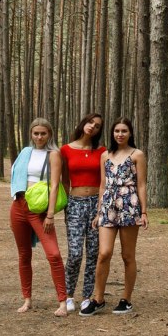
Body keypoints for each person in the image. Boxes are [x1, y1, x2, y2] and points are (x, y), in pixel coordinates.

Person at [79, 118, 148, 316]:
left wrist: (144, 211)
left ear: (130, 133)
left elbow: (141, 184)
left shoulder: (137, 155)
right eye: (117, 130)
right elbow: (102, 185)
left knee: (127, 255)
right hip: (108, 206)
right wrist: (99, 211)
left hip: (129, 205)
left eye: (124, 131)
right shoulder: (105, 155)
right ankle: (98, 298)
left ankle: (126, 299)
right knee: (104, 253)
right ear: (112, 133)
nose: (120, 134)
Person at [9, 118, 68, 317]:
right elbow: (17, 176)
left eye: (43, 133)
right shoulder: (25, 152)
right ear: (31, 134)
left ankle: (62, 301)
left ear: (49, 134)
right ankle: (27, 299)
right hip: (19, 205)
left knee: (53, 254)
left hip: (40, 210)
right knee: (24, 254)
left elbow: (54, 186)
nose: (39, 137)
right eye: (36, 133)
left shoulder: (54, 155)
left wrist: (50, 215)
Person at [58, 113, 105, 313]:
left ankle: (87, 296)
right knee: (75, 253)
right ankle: (69, 295)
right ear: (83, 123)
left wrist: (101, 209)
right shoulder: (66, 150)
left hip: (96, 203)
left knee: (93, 252)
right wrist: (65, 205)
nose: (92, 127)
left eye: (97, 126)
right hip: (75, 203)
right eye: (90, 123)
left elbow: (104, 182)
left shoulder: (102, 151)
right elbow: (64, 180)